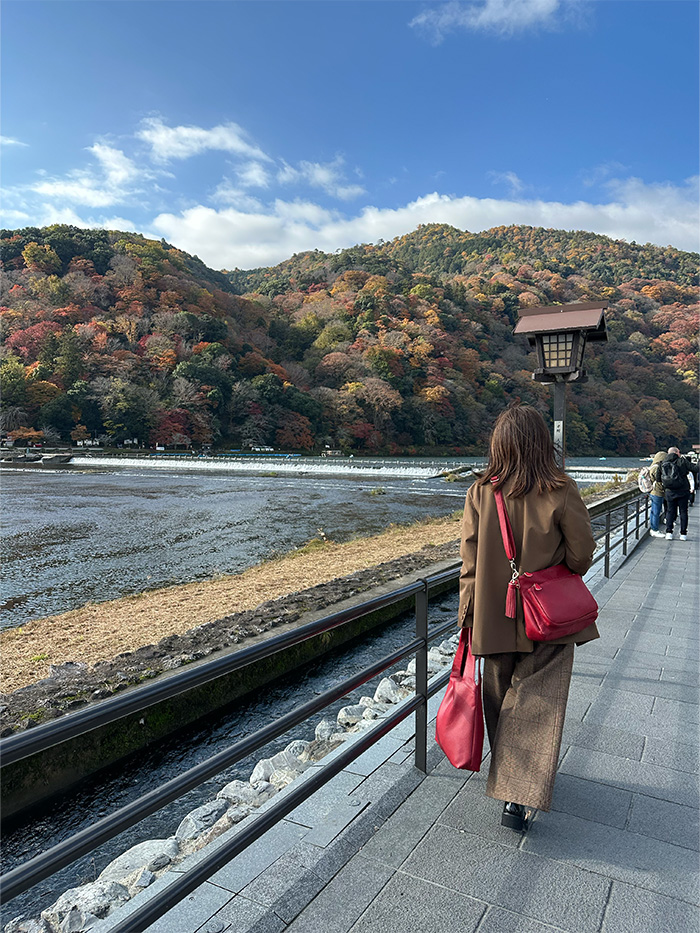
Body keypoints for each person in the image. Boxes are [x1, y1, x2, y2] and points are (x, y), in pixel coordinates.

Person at [458, 404, 597, 832]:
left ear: (499, 444)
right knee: (538, 702)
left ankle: (510, 783)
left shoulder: (482, 491)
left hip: (494, 618)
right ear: (543, 443)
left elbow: (469, 561)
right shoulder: (561, 488)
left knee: (501, 699)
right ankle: (516, 797)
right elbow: (581, 554)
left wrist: (467, 615)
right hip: (549, 618)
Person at [660, 447, 691, 541]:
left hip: (669, 491)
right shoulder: (682, 462)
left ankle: (669, 532)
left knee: (670, 511)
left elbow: (658, 478)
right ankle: (683, 534)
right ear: (676, 453)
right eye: (679, 451)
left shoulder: (662, 463)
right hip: (683, 490)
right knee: (683, 512)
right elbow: (696, 468)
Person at [648, 450, 669, 537]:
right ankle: (654, 529)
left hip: (652, 491)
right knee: (656, 511)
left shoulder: (652, 466)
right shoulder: (658, 468)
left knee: (653, 511)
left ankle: (653, 528)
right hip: (658, 492)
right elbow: (661, 480)